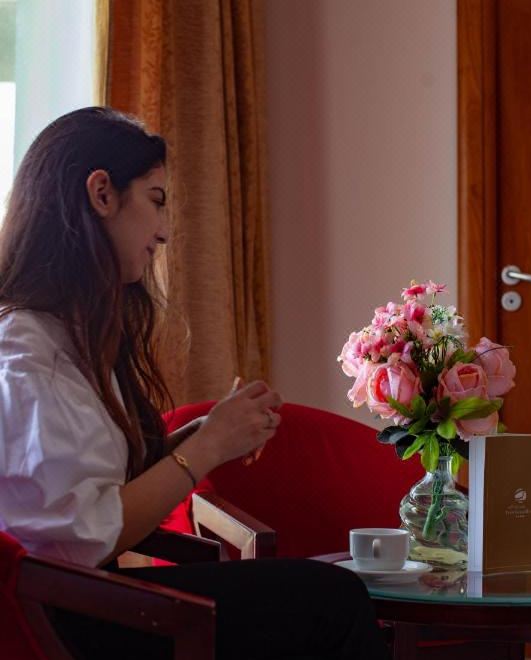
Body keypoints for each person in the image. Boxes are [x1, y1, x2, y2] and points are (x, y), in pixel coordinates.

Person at [0, 107, 390, 659]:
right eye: (156, 200)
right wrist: (204, 450)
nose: (163, 231)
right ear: (102, 193)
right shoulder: (28, 355)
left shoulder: (67, 335)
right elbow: (81, 538)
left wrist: (205, 435)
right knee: (333, 599)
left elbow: (88, 501)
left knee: (327, 594)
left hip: (81, 601)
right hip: (59, 622)